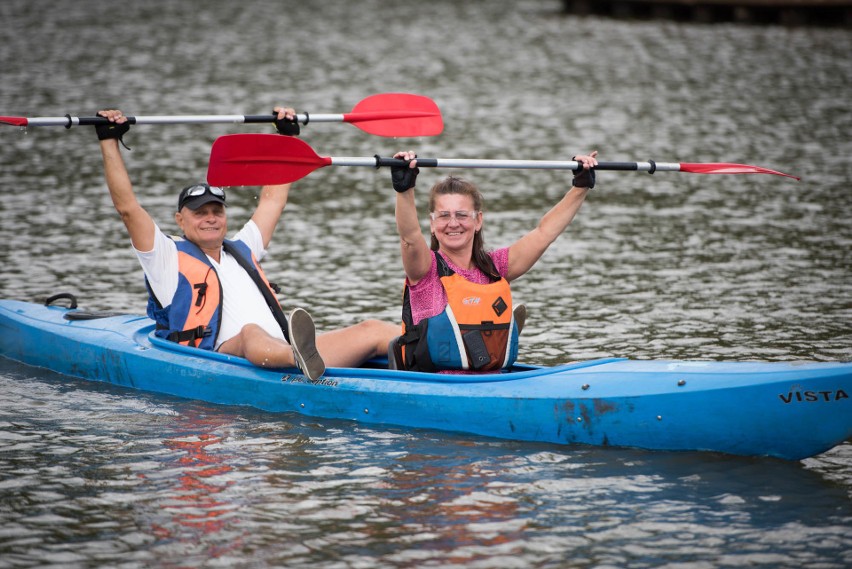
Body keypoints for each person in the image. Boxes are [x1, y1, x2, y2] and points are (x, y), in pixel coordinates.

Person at [95, 107, 399, 380]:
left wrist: (286, 137)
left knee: (372, 329)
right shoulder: (164, 257)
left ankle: (434, 349)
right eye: (200, 213)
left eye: (217, 211)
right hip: (222, 360)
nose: (211, 218)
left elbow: (273, 200)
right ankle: (299, 358)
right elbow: (127, 207)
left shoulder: (242, 248)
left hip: (283, 349)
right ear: (180, 219)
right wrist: (109, 141)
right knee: (251, 333)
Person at [388, 150, 598, 373]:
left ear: (478, 220)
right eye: (443, 215)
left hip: (492, 382)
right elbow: (409, 237)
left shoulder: (495, 267)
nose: (453, 223)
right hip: (437, 386)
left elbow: (544, 232)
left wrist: (580, 186)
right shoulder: (425, 269)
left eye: (461, 215)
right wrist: (404, 190)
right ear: (432, 224)